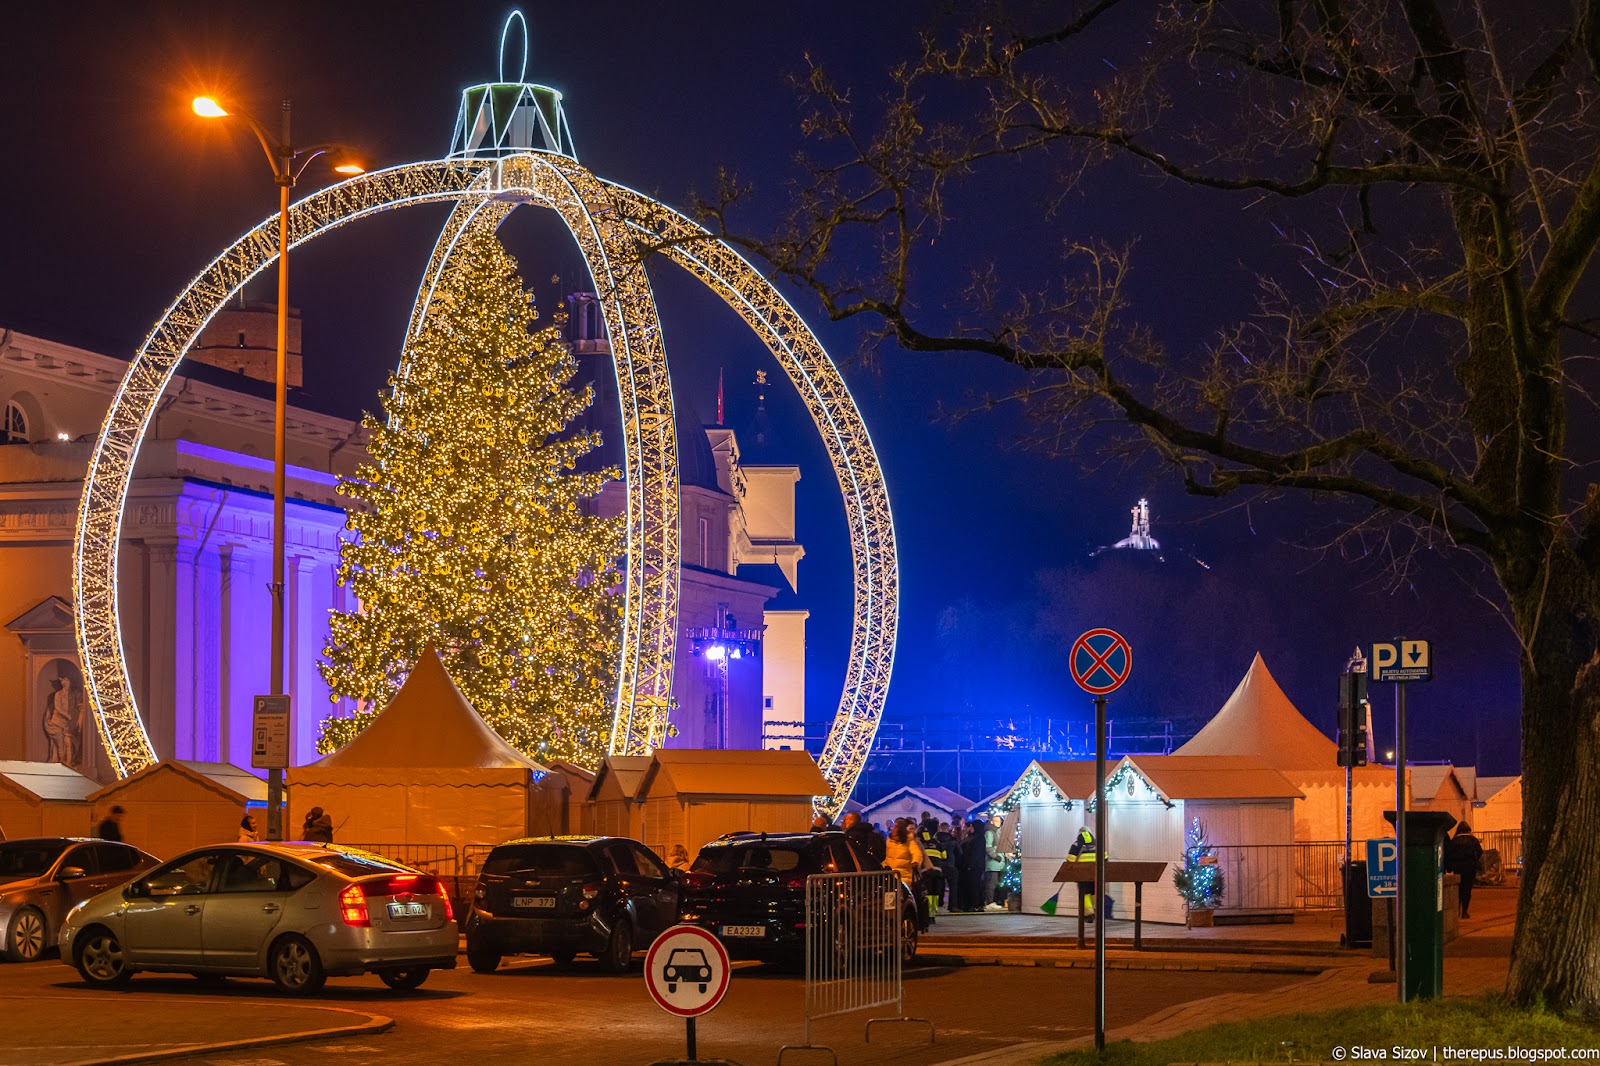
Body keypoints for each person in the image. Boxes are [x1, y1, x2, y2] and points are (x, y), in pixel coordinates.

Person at [1443, 821, 1484, 918]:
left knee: (1459, 890)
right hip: (1470, 867)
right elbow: (1480, 852)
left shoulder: (1454, 841)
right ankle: (1464, 912)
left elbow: (1448, 854)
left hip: (1458, 867)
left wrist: (1449, 868)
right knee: (1467, 889)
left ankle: (1457, 910)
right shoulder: (1473, 840)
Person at [958, 817, 988, 912]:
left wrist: (970, 865)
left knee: (974, 885)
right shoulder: (975, 837)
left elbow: (975, 853)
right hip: (973, 865)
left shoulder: (978, 838)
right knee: (973, 885)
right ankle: (973, 903)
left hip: (974, 866)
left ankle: (976, 904)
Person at [1068, 822, 1098, 916]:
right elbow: (1105, 857)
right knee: (1094, 891)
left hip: (1082, 872)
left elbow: (1070, 859)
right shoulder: (1097, 844)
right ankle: (1096, 909)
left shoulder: (1076, 844)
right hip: (1095, 872)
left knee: (1084, 892)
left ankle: (1089, 913)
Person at [984, 816, 1006, 910]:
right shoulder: (990, 833)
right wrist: (996, 857)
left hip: (1000, 863)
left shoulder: (1000, 833)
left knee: (996, 884)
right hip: (993, 864)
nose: (998, 823)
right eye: (996, 821)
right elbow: (988, 847)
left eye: (999, 821)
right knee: (991, 884)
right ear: (991, 822)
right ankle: (990, 902)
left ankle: (995, 901)